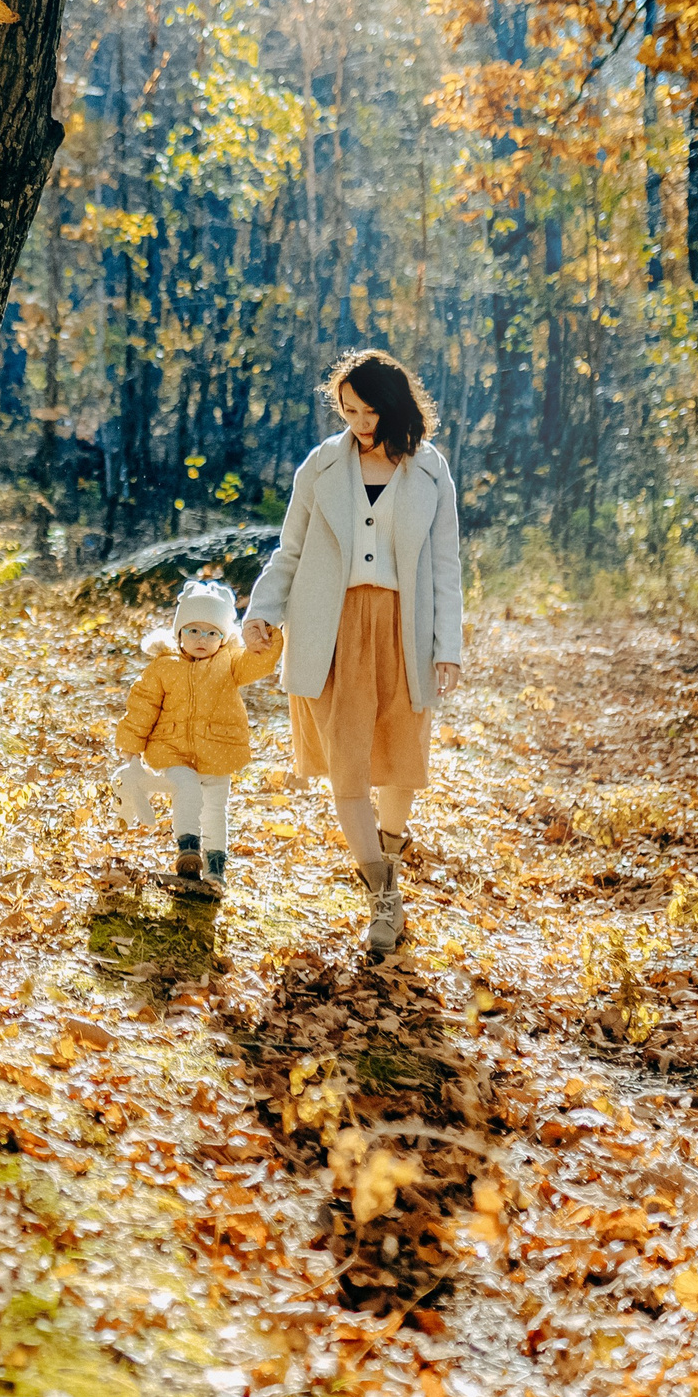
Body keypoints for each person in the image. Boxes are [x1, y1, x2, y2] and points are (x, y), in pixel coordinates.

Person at [243, 350, 464, 954]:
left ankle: (387, 856)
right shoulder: (320, 467)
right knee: (347, 762)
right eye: (347, 409)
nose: (359, 421)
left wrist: (449, 647)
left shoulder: (429, 470)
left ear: (393, 406)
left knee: (398, 757)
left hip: (403, 626)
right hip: (331, 626)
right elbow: (289, 551)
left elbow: (445, 564)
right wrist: (262, 612)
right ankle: (382, 898)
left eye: (369, 410)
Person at [112, 581, 284, 900]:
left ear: (223, 636)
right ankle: (188, 849)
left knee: (215, 809)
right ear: (179, 633)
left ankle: (216, 866)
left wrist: (269, 637)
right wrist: (130, 744)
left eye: (211, 632)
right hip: (173, 750)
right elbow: (142, 706)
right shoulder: (163, 667)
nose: (201, 640)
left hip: (219, 751)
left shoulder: (231, 663)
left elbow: (259, 662)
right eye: (192, 631)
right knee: (186, 790)